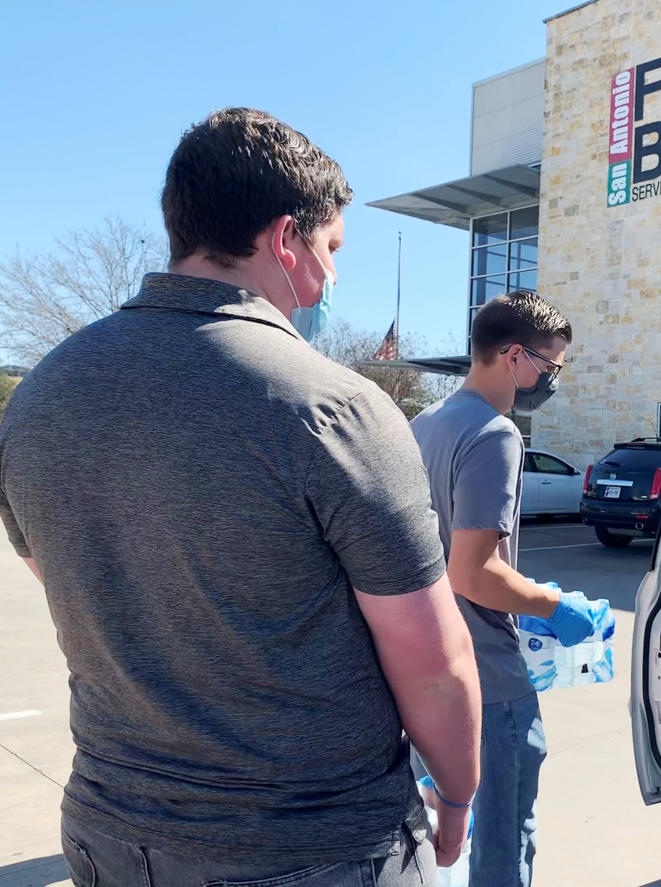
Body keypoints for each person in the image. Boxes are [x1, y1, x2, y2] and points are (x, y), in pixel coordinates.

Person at [0, 108, 481, 886]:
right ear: (286, 238)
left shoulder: (40, 397)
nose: (330, 276)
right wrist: (458, 794)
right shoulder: (335, 409)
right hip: (308, 845)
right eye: (330, 248)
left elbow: (66, 580)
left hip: (112, 829)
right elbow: (432, 660)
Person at [411, 290, 595, 887]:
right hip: (488, 680)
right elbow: (474, 572)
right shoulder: (496, 435)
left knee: (441, 835)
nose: (554, 379)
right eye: (552, 365)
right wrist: (554, 605)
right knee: (502, 844)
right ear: (514, 356)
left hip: (426, 669)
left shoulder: (426, 423)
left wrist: (524, 594)